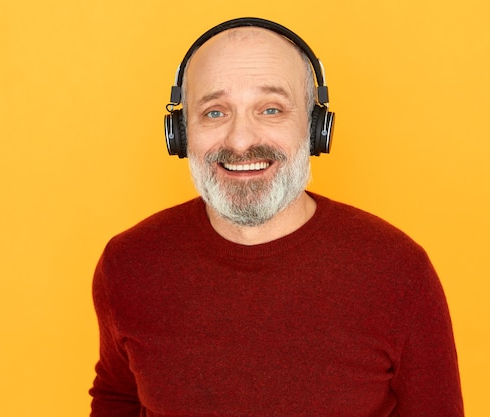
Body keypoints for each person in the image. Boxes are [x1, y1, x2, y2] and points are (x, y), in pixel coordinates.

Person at [89, 17, 464, 417]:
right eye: (214, 112)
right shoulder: (128, 264)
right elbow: (117, 398)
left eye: (271, 109)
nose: (241, 139)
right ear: (180, 134)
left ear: (316, 129)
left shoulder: (399, 271)